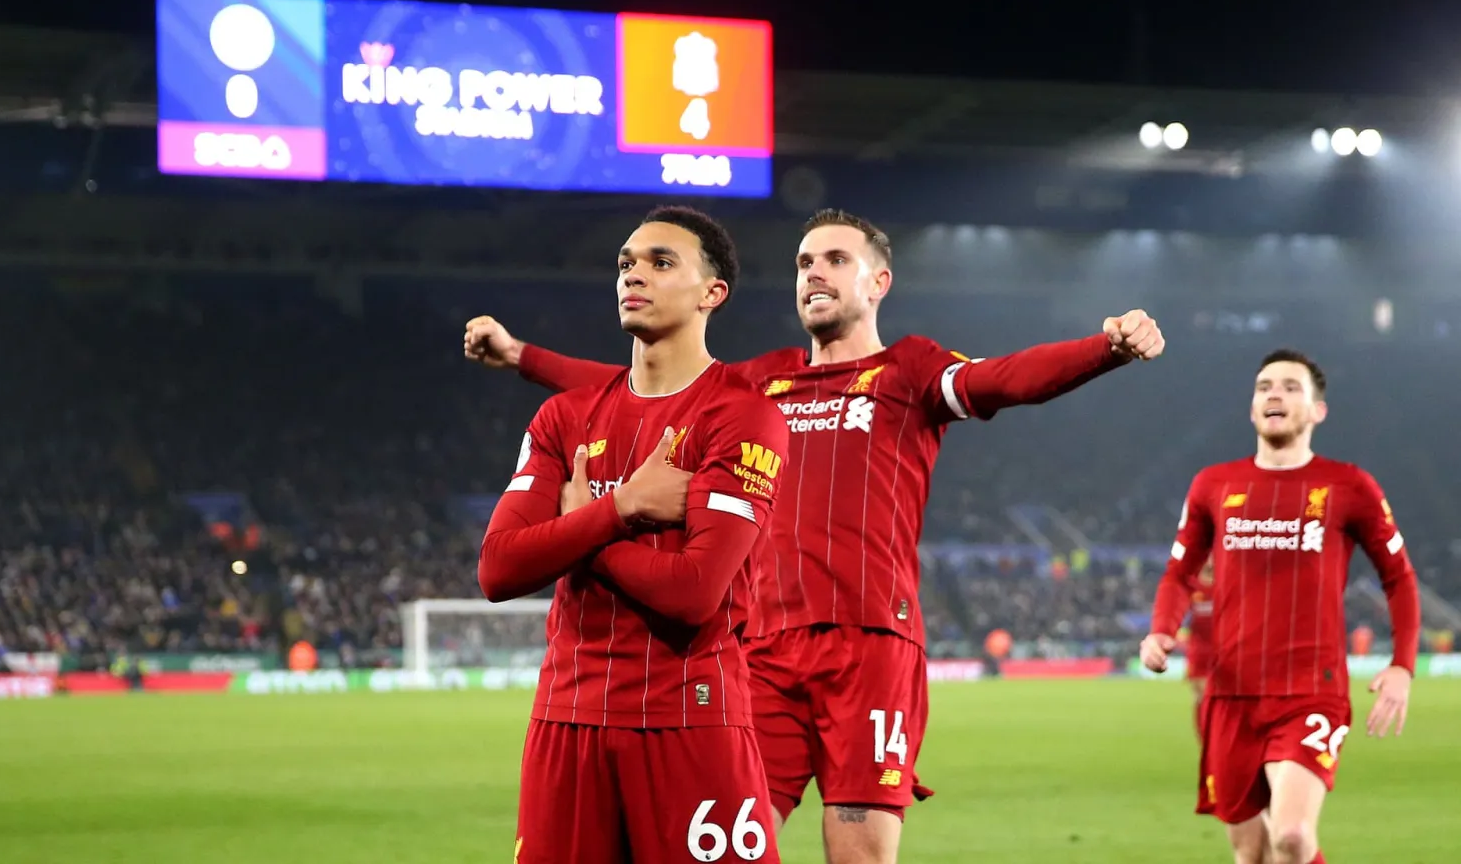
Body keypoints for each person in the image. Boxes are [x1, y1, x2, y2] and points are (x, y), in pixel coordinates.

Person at [468, 208, 1164, 864]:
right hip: (757, 653)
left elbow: (1004, 380)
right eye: (804, 262)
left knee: (857, 847)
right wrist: (523, 356)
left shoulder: (910, 371)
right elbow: (636, 385)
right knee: (722, 842)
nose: (815, 274)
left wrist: (1104, 349)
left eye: (836, 259)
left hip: (868, 645)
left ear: (878, 281)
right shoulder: (760, 383)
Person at [477, 205, 789, 864]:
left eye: (659, 261)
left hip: (689, 719)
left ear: (713, 293)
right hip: (565, 722)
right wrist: (623, 508)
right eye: (625, 263)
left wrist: (580, 525)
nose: (633, 275)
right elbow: (499, 570)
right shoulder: (563, 416)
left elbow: (695, 592)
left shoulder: (743, 417)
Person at [1139, 349, 1419, 864]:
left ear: (1317, 411)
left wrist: (1402, 665)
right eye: (1265, 386)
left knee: (1290, 836)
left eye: (1292, 387)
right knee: (1252, 851)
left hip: (1311, 691)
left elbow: (1398, 577)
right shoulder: (1212, 485)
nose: (1274, 394)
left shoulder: (1349, 486)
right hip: (1231, 695)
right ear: (1251, 408)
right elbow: (1180, 571)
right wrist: (1161, 629)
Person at [1182, 562, 1215, 739]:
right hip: (1198, 651)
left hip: (1222, 650)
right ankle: (1206, 737)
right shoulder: (1192, 586)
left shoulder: (1225, 582)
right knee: (1201, 696)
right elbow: (1181, 614)